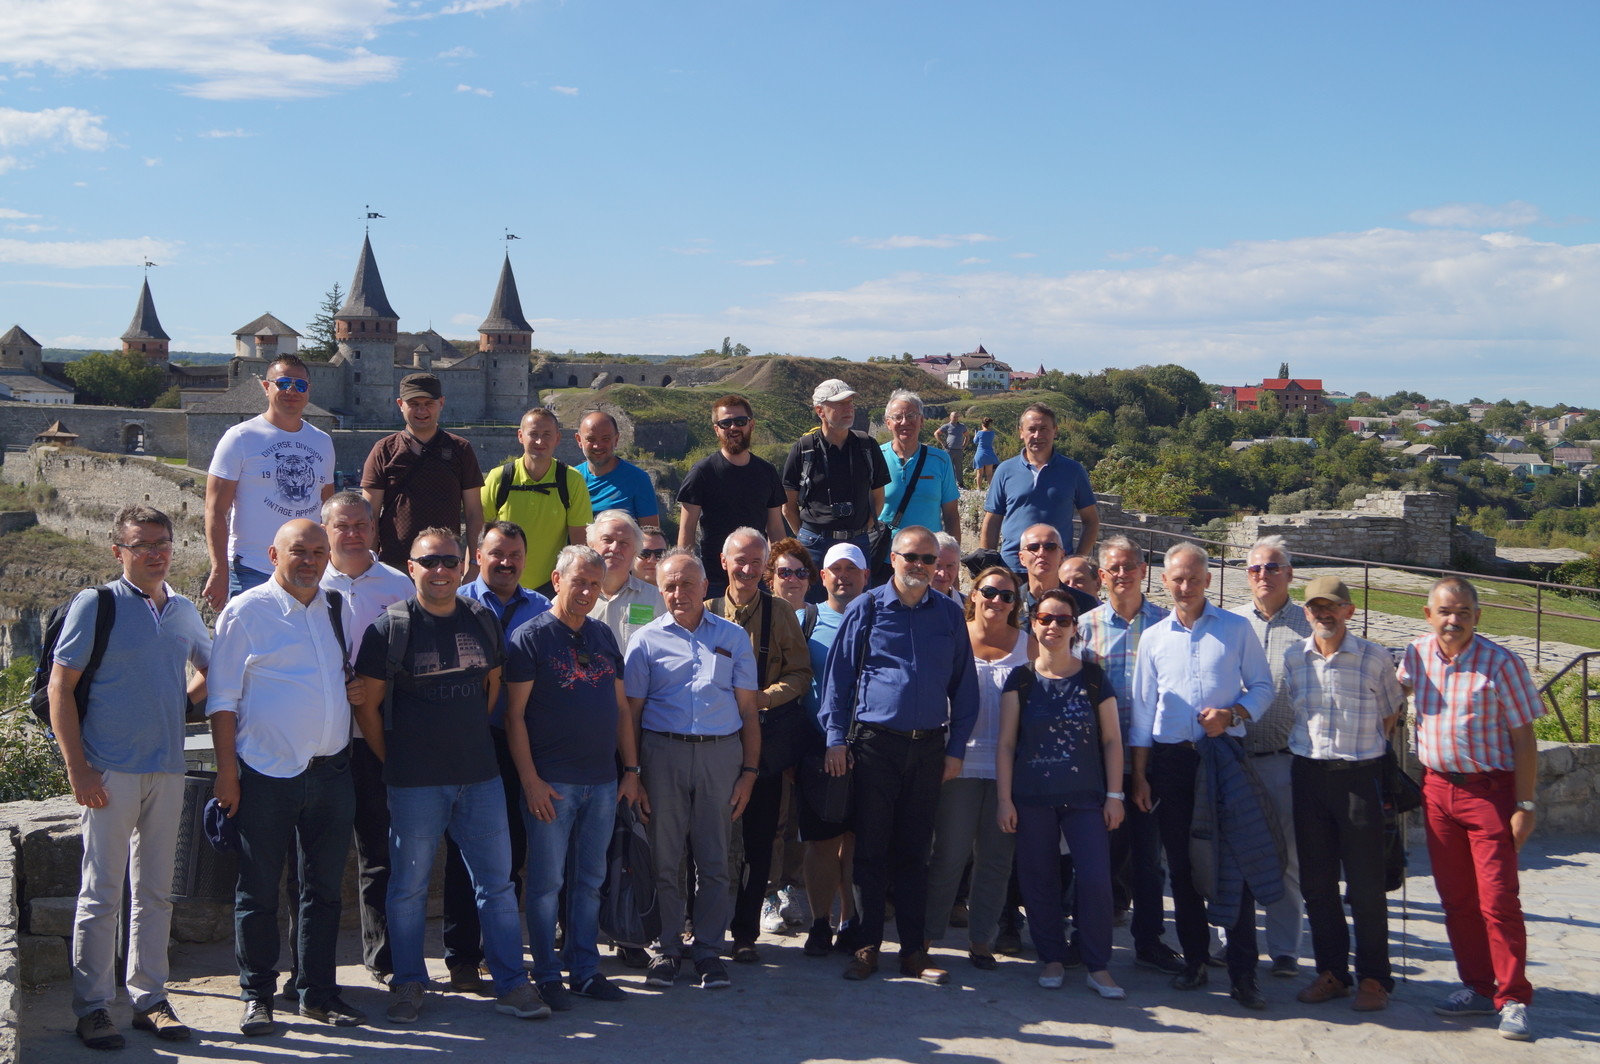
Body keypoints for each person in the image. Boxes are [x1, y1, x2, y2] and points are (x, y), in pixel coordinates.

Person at [353, 528, 548, 1025]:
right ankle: (409, 982)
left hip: (479, 777)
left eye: (448, 561)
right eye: (428, 561)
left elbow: (491, 687)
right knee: (408, 888)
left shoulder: (482, 619)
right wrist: (395, 759)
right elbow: (368, 708)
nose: (439, 570)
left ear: (463, 567)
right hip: (415, 782)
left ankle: (511, 983)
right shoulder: (389, 629)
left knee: (497, 886)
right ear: (411, 568)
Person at [51, 506, 210, 1049]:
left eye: (163, 543)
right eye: (142, 545)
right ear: (119, 551)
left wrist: (174, 708)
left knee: (156, 893)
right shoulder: (97, 604)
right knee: (101, 893)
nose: (155, 553)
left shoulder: (183, 610)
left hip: (167, 768)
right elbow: (60, 688)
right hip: (108, 770)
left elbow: (213, 670)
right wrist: (78, 768)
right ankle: (94, 1007)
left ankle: (150, 998)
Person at [208, 519, 366, 1035]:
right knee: (258, 891)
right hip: (265, 773)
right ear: (274, 555)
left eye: (319, 551)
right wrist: (227, 775)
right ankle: (257, 995)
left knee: (323, 890)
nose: (310, 561)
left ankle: (316, 993)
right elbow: (221, 700)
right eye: (299, 551)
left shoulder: (335, 606)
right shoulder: (245, 611)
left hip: (331, 770)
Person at [819, 526, 978, 985]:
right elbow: (838, 680)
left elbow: (965, 688)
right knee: (869, 850)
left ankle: (914, 951)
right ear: (893, 559)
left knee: (914, 853)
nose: (920, 566)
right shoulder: (866, 608)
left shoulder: (949, 614)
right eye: (912, 557)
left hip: (928, 748)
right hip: (875, 746)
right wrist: (835, 738)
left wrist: (956, 749)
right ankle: (866, 946)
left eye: (929, 559)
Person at [1129, 542, 1275, 1008]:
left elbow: (1263, 687)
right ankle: (1194, 961)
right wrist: (1140, 775)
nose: (1186, 586)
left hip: (1222, 757)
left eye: (1194, 578)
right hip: (1171, 763)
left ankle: (1243, 974)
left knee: (1233, 864)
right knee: (1182, 865)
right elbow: (1143, 711)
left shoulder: (1236, 629)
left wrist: (1234, 714)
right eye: (1177, 578)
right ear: (1164, 581)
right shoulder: (1154, 638)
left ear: (1208, 580)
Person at [1399, 577, 1545, 1041]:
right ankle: (1478, 986)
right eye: (1445, 611)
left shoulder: (1501, 663)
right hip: (1438, 791)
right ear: (1428, 615)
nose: (1453, 620)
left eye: (1463, 612)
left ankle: (1513, 997)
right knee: (1456, 898)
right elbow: (1389, 696)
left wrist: (1525, 804)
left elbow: (1524, 737)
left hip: (1490, 792)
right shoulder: (1415, 656)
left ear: (1477, 617)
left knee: (1498, 900)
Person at [504, 546, 644, 1009]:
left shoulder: (602, 635)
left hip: (602, 782)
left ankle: (584, 970)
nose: (586, 591)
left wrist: (631, 771)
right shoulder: (530, 638)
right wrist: (530, 780)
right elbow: (514, 716)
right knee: (546, 886)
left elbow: (621, 709)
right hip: (552, 785)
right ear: (556, 579)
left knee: (590, 881)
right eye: (578, 581)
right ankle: (546, 974)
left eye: (594, 584)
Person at [623, 550, 762, 990]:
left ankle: (708, 951)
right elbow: (631, 714)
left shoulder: (733, 637)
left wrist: (749, 772)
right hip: (662, 754)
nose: (678, 593)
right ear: (659, 590)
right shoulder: (645, 641)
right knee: (665, 860)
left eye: (687, 584)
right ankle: (666, 949)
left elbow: (749, 711)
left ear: (705, 586)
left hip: (721, 756)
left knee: (715, 859)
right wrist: (634, 773)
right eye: (669, 586)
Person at [1282, 576, 1404, 1013]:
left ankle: (1374, 978)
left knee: (1366, 885)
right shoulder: (1294, 657)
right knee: (1317, 884)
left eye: (1331, 607)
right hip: (1309, 775)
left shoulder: (1375, 657)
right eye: (1315, 608)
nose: (1323, 614)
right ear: (1306, 613)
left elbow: (1390, 714)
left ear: (1348, 611)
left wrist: (1360, 751)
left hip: (1359, 779)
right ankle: (1331, 972)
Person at [997, 588, 1125, 998]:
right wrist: (1004, 799)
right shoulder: (1020, 679)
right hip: (1032, 795)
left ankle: (1097, 965)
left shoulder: (1093, 678)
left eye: (1063, 620)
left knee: (1095, 880)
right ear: (1033, 624)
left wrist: (1116, 796)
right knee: (1039, 879)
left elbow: (1112, 740)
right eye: (1045, 618)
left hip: (1086, 795)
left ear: (1074, 628)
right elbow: (1006, 744)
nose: (1053, 626)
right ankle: (1051, 956)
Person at [449, 521, 552, 991]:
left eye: (515, 555)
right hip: (470, 742)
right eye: (497, 554)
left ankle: (501, 952)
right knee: (462, 853)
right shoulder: (456, 603)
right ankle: (462, 956)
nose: (506, 563)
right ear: (478, 555)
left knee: (514, 851)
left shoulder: (542, 608)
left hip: (524, 744)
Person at [318, 492, 414, 989]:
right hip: (323, 741)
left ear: (375, 529)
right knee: (317, 860)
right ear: (326, 530)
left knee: (380, 853)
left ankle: (382, 958)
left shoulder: (399, 585)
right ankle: (312, 969)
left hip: (377, 737)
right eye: (342, 525)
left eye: (361, 524)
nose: (352, 533)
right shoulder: (308, 581)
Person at [708, 529, 815, 962]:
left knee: (759, 840)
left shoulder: (780, 612)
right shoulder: (706, 610)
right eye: (741, 560)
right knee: (706, 839)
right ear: (724, 562)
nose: (748, 570)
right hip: (712, 742)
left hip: (764, 741)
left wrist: (763, 699)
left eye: (757, 562)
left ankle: (745, 934)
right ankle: (701, 926)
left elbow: (800, 673)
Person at [1077, 537, 1182, 975]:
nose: (1122, 574)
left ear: (1143, 570)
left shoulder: (1167, 624)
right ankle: (1086, 939)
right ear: (1101, 576)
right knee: (1093, 856)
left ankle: (1149, 941)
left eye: (1129, 566)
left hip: (1149, 759)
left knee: (1146, 858)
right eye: (1113, 568)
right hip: (1097, 759)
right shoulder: (1084, 627)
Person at [923, 566, 1025, 971]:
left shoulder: (1029, 646)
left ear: (1016, 604)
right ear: (973, 595)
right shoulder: (954, 636)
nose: (997, 601)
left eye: (1006, 596)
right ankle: (926, 936)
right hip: (958, 763)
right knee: (948, 855)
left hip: (1009, 771)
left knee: (997, 860)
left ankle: (981, 940)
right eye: (989, 592)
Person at [1231, 536, 1310, 980]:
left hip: (1284, 758)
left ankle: (1284, 949)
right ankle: (1230, 940)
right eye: (1256, 568)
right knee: (1232, 854)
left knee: (1286, 859)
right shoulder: (1231, 622)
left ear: (1289, 574)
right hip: (1236, 757)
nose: (1264, 575)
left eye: (1273, 567)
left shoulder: (1308, 624)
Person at [203, 353, 335, 610]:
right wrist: (219, 570)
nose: (292, 391)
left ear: (309, 391)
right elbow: (215, 510)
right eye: (283, 383)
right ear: (266, 387)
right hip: (252, 569)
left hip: (307, 571)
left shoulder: (322, 441)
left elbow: (327, 509)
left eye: (300, 385)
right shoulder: (240, 438)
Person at [798, 544, 868, 956]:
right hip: (816, 746)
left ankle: (851, 922)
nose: (843, 576)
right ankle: (820, 922)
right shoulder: (804, 620)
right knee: (821, 841)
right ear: (822, 577)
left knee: (858, 840)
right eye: (835, 569)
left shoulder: (880, 618)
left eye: (851, 569)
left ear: (866, 576)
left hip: (869, 745)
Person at [360, 371, 486, 574]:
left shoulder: (460, 449)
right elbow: (369, 515)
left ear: (441, 403)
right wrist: (369, 567)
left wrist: (474, 566)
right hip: (394, 566)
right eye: (414, 404)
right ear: (400, 404)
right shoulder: (384, 450)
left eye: (428, 403)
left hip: (445, 564)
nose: (421, 410)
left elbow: (474, 513)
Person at [782, 379, 890, 587]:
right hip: (814, 544)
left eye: (850, 402)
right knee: (811, 604)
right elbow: (788, 505)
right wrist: (805, 537)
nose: (848, 408)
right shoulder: (804, 449)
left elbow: (878, 497)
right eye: (840, 404)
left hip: (857, 542)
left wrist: (863, 529)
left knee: (859, 603)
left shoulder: (867, 446)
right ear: (820, 411)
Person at [676, 394, 786, 596]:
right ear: (716, 429)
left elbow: (776, 529)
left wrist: (780, 572)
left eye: (740, 421)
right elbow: (687, 529)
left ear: (751, 425)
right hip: (714, 581)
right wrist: (686, 575)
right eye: (726, 423)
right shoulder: (702, 472)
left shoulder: (767, 472)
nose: (733, 427)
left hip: (758, 580)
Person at [480, 407, 594, 593]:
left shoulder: (571, 481)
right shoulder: (498, 478)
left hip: (550, 589)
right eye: (533, 434)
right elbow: (479, 536)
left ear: (557, 438)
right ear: (520, 436)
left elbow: (579, 546)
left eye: (547, 434)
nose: (540, 441)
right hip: (499, 584)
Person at [980, 403, 1099, 572]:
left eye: (1044, 429)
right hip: (1012, 569)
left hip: (1057, 570)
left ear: (1055, 431)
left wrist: (1077, 561)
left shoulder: (1073, 471)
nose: (1038, 435)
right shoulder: (1005, 470)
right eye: (1032, 429)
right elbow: (992, 521)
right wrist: (988, 568)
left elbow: (1091, 521)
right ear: (1021, 432)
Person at [878, 389, 960, 540]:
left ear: (921, 421)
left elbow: (951, 515)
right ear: (888, 423)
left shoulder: (941, 460)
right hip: (886, 552)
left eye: (911, 416)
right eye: (898, 417)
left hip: (929, 552)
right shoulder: (875, 457)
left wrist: (954, 552)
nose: (904, 422)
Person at [588, 508, 666, 652]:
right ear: (591, 546)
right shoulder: (572, 597)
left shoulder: (657, 599)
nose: (615, 548)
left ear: (635, 552)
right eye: (607, 540)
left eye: (624, 543)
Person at [574, 410, 660, 527]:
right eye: (591, 439)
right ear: (579, 440)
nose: (598, 446)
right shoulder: (571, 478)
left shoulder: (637, 479)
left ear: (616, 439)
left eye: (605, 439)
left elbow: (651, 534)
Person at [934, 409, 968, 486]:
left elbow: (967, 436)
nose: (955, 418)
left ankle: (960, 483)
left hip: (959, 450)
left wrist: (964, 445)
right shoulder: (946, 426)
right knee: (948, 467)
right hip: (949, 450)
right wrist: (942, 442)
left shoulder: (962, 426)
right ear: (950, 417)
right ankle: (948, 483)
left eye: (957, 417)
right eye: (954, 417)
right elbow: (936, 433)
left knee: (959, 467)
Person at [931, 532, 964, 601]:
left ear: (957, 568)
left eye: (950, 566)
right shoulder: (909, 603)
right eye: (937, 565)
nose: (943, 574)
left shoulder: (968, 605)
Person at [971, 417, 999, 490]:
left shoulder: (979, 433)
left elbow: (975, 441)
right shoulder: (992, 433)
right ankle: (991, 489)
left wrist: (975, 435)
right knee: (989, 474)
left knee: (979, 473)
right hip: (989, 453)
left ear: (982, 424)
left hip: (980, 453)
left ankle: (979, 488)